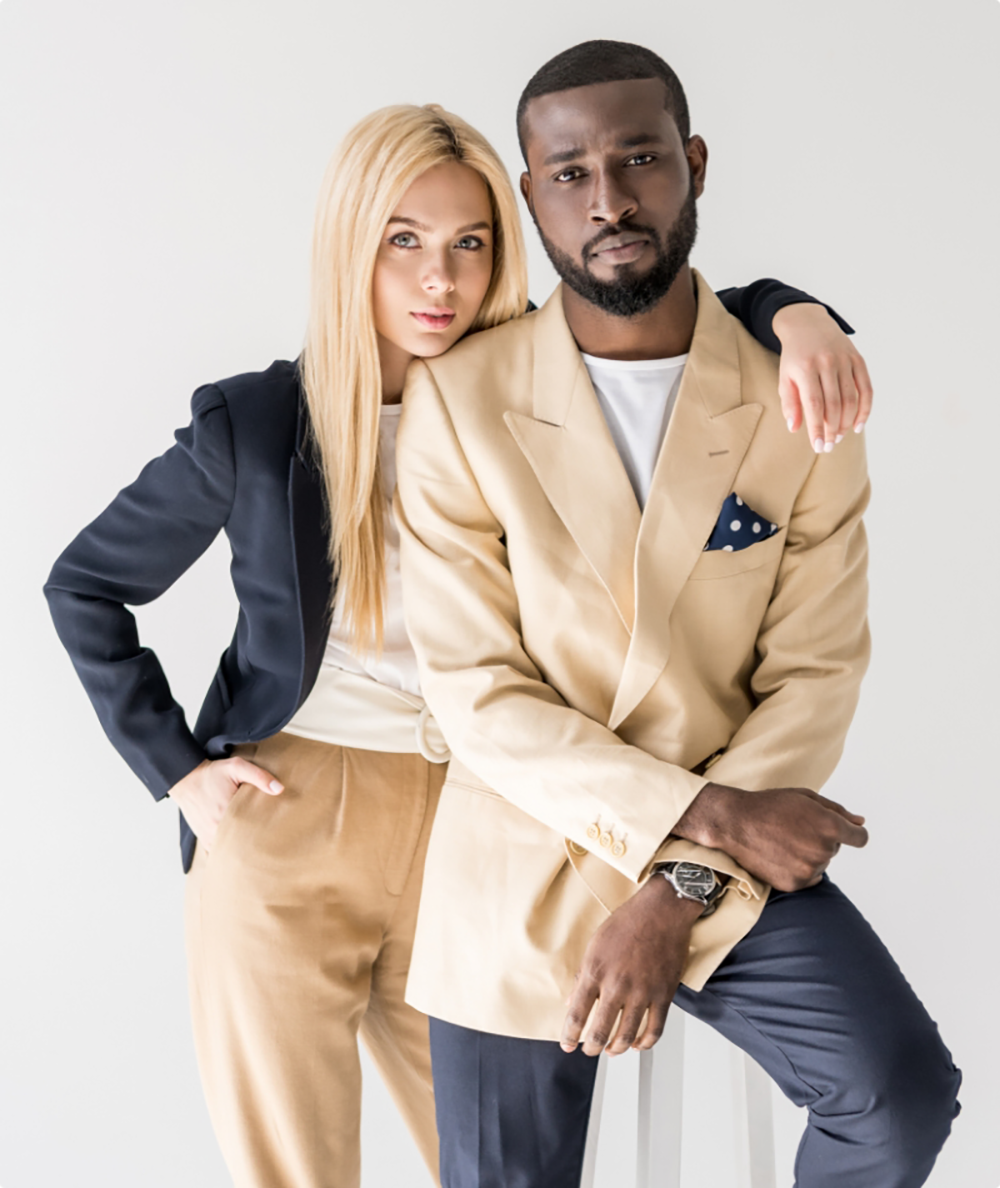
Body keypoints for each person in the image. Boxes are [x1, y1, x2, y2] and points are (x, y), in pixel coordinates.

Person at [46, 100, 871, 1188]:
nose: (440, 281)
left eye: (470, 244)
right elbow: (85, 585)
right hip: (291, 822)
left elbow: (666, 310)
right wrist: (179, 770)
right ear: (350, 246)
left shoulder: (531, 384)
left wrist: (797, 312)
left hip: (484, 831)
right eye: (404, 242)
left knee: (488, 1164)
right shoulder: (255, 425)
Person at [395, 42, 961, 1188]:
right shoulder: (460, 401)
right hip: (526, 850)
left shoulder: (801, 393)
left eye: (639, 159)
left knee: (896, 1099)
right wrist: (704, 817)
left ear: (694, 164)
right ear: (530, 196)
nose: (608, 200)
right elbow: (478, 696)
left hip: (729, 867)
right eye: (570, 173)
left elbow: (814, 672)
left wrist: (681, 880)